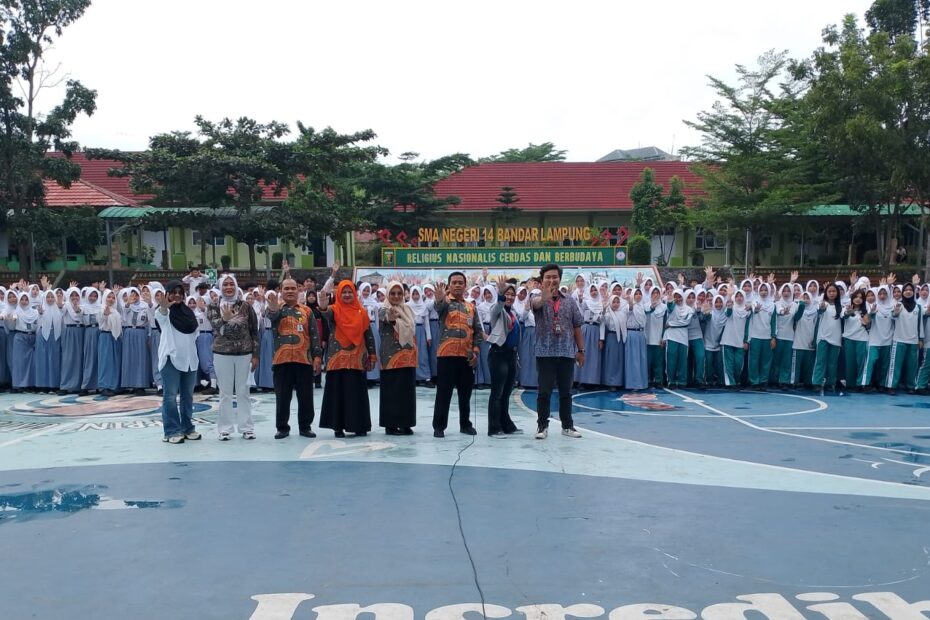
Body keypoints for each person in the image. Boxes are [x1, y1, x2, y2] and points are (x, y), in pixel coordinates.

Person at [318, 275, 377, 438]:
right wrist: (323, 306)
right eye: (343, 292)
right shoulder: (334, 310)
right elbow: (325, 313)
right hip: (337, 359)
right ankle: (338, 427)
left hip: (357, 358)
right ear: (338, 294)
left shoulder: (362, 312)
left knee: (356, 392)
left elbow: (368, 335)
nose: (346, 295)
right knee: (338, 393)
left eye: (349, 292)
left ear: (354, 293)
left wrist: (372, 355)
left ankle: (359, 426)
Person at [531, 264, 584, 440]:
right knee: (544, 392)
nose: (552, 280)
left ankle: (567, 426)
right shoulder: (536, 297)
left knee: (566, 392)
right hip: (545, 352)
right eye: (548, 277)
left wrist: (581, 349)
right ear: (542, 280)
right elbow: (536, 305)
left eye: (555, 277)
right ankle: (542, 426)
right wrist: (544, 297)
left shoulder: (569, 300)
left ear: (559, 278)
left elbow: (576, 325)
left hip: (566, 352)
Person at [266, 278, 323, 439]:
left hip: (303, 359)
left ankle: (305, 427)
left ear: (298, 291)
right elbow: (272, 316)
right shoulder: (275, 308)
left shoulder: (307, 311)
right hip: (281, 360)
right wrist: (273, 305)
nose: (290, 291)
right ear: (281, 291)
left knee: (305, 396)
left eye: (293, 288)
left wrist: (317, 356)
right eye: (286, 289)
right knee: (282, 396)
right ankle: (282, 427)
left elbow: (314, 335)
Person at [208, 274, 260, 441]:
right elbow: (214, 326)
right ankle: (225, 428)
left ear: (236, 286)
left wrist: (256, 354)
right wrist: (224, 319)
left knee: (243, 391)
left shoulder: (245, 306)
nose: (229, 287)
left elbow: (254, 331)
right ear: (220, 287)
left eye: (231, 284)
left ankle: (246, 427)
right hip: (222, 353)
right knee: (225, 393)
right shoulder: (214, 306)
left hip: (244, 353)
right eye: (225, 284)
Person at [431, 272, 482, 438]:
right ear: (449, 285)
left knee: (465, 393)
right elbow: (438, 308)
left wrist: (475, 352)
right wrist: (439, 298)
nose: (458, 285)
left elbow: (478, 332)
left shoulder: (471, 307)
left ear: (465, 285)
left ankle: (465, 424)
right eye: (454, 282)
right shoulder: (445, 304)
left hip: (466, 356)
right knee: (444, 392)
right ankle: (439, 426)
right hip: (446, 354)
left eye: (461, 282)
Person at [154, 280, 201, 444]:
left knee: (188, 396)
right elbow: (161, 314)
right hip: (171, 359)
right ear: (167, 295)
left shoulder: (189, 313)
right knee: (170, 396)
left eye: (180, 292)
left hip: (189, 359)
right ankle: (171, 430)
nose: (177, 295)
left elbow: (195, 334)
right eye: (173, 292)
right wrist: (164, 306)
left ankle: (187, 427)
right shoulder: (164, 313)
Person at [377, 281, 418, 435]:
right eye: (392, 293)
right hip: (391, 356)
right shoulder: (383, 308)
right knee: (391, 391)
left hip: (407, 355)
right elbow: (386, 317)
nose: (396, 296)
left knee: (406, 391)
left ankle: (406, 423)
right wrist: (392, 317)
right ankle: (391, 424)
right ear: (388, 294)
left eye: (399, 293)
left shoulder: (407, 309)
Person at [486, 277, 523, 436]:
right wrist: (500, 294)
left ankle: (506, 424)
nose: (510, 297)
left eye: (512, 295)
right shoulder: (497, 311)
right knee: (497, 393)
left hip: (511, 355)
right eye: (507, 294)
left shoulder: (513, 313)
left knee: (507, 392)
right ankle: (494, 427)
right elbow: (498, 305)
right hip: (498, 355)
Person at [120, 287, 152, 395]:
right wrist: (128, 303)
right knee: (130, 358)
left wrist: (149, 335)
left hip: (141, 333)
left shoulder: (145, 306)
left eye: (136, 295)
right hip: (129, 333)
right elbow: (124, 313)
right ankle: (131, 383)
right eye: (132, 295)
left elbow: (150, 321)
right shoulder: (127, 306)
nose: (134, 297)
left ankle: (140, 385)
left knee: (141, 359)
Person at [35, 289, 62, 394]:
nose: (50, 299)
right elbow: (38, 323)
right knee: (43, 361)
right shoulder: (41, 309)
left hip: (55, 336)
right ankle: (43, 386)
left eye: (52, 297)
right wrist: (40, 314)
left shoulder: (59, 309)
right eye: (48, 297)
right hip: (43, 336)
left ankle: (54, 385)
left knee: (54, 361)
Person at [97, 289, 122, 396]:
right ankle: (104, 386)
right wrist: (105, 314)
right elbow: (101, 318)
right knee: (105, 362)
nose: (111, 299)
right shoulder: (101, 308)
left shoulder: (115, 311)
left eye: (113, 297)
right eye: (108, 297)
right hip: (106, 336)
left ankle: (114, 386)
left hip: (115, 339)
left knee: (115, 362)